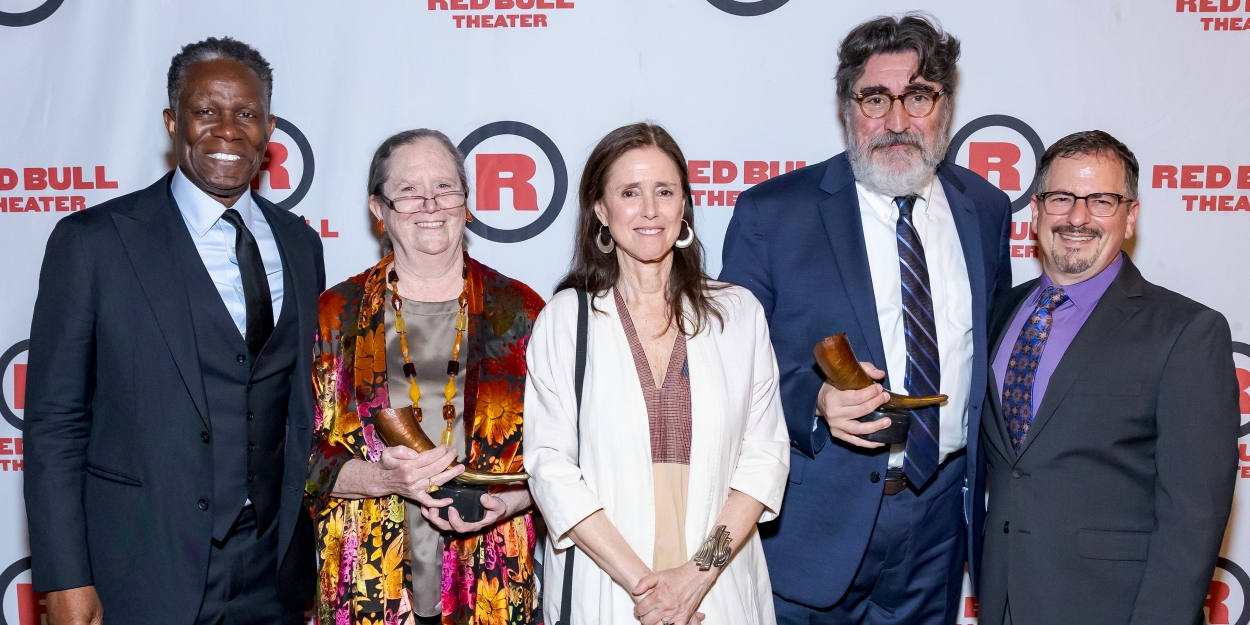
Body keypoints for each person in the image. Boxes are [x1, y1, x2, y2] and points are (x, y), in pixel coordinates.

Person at [720, 13, 1014, 624]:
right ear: (848, 107)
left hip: (939, 524)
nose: (898, 121)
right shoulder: (772, 215)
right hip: (811, 522)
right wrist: (814, 403)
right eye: (876, 99)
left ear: (946, 107)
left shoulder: (984, 209)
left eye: (919, 97)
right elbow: (727, 367)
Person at [23, 37, 322, 624]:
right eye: (206, 111)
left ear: (269, 128)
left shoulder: (300, 244)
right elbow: (55, 422)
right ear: (172, 121)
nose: (227, 130)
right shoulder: (94, 243)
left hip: (272, 571)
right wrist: (62, 578)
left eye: (246, 113)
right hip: (139, 566)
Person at [525, 122, 790, 625]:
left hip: (718, 587)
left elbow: (765, 460)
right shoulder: (566, 319)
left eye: (664, 191)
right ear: (601, 210)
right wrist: (649, 591)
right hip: (611, 587)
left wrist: (693, 578)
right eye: (630, 193)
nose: (649, 210)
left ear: (684, 205)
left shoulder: (738, 314)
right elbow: (550, 470)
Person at [979, 130, 1238, 625]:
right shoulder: (998, 314)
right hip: (1003, 601)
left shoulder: (1186, 331)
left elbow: (1194, 514)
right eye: (1061, 198)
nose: (1078, 217)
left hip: (1115, 609)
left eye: (1101, 200)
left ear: (1131, 215)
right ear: (1035, 210)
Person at [307, 129, 543, 625]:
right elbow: (297, 455)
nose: (430, 204)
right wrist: (379, 478)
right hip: (369, 582)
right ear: (379, 209)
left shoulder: (521, 311)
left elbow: (565, 453)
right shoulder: (336, 315)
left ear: (466, 203)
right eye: (409, 191)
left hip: (493, 582)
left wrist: (510, 501)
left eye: (446, 188)